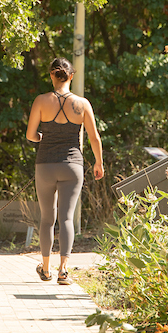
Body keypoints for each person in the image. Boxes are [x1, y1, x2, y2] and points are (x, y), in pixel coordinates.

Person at [25, 58, 104, 285]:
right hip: (73, 166)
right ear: (71, 76)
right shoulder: (82, 104)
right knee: (66, 218)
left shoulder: (40, 101)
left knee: (47, 219)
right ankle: (63, 271)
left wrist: (44, 138)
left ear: (52, 76)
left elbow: (31, 135)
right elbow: (94, 137)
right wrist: (99, 162)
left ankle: (46, 269)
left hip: (45, 165)